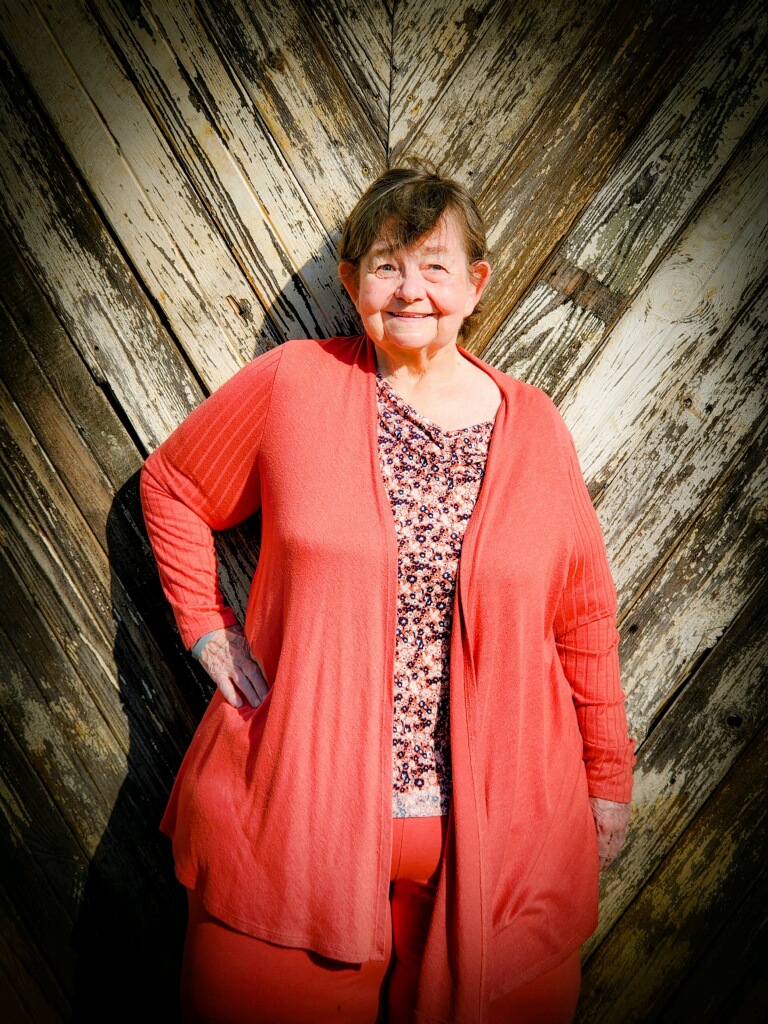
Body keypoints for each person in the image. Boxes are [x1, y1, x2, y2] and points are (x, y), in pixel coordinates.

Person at [139, 164, 635, 1024]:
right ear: (351, 283)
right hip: (293, 830)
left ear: (475, 285)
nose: (411, 290)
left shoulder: (536, 429)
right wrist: (206, 627)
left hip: (501, 851)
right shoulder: (292, 385)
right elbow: (175, 487)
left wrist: (608, 779)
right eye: (386, 266)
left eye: (435, 266)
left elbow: (583, 616)